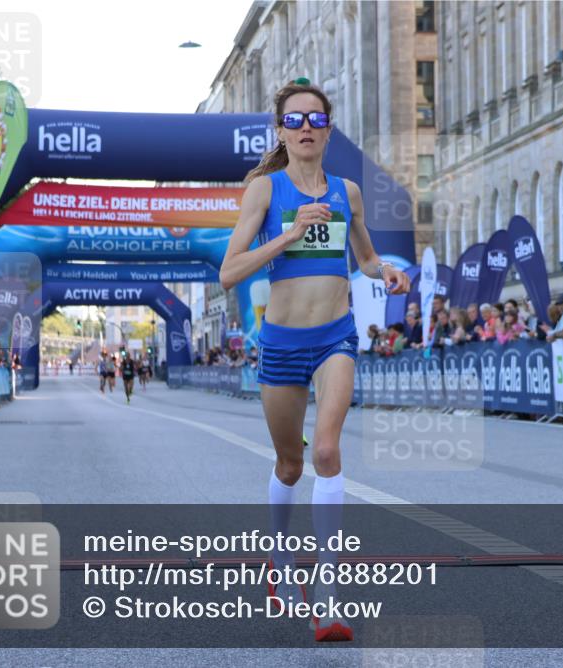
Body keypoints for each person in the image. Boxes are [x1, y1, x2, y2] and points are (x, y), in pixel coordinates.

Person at [219, 79, 410, 642]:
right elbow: (230, 271)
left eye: (316, 120)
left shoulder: (347, 191)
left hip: (336, 337)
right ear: (280, 130)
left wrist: (386, 272)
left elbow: (367, 258)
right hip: (280, 342)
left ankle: (327, 593)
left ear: (329, 129)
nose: (306, 128)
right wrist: (291, 233)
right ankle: (280, 562)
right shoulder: (264, 191)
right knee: (289, 464)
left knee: (325, 450)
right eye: (295, 120)